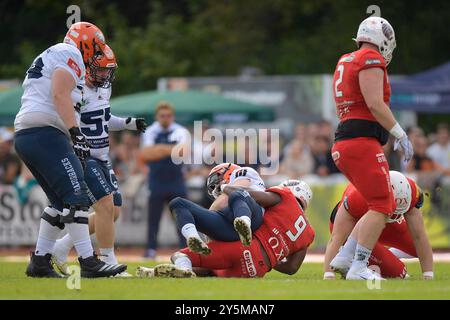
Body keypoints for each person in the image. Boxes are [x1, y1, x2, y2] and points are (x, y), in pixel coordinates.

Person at [14, 22, 126, 278]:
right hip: (45, 132)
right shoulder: (70, 53)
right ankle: (88, 261)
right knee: (76, 198)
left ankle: (40, 262)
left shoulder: (54, 53)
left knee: (58, 202)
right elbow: (60, 94)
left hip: (30, 133)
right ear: (86, 44)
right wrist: (76, 133)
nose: (97, 54)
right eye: (96, 48)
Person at [51, 45, 147, 275]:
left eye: (108, 70)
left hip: (103, 156)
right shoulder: (76, 87)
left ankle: (61, 246)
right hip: (85, 156)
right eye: (102, 70)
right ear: (88, 68)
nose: (106, 75)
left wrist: (127, 123)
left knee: (114, 211)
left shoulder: (105, 88)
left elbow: (102, 118)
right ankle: (107, 261)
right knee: (105, 206)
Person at [330, 16, 413, 280]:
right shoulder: (370, 59)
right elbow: (376, 104)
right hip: (360, 142)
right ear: (384, 39)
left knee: (375, 202)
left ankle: (345, 257)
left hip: (346, 141)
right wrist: (400, 133)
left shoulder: (346, 59)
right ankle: (358, 266)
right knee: (383, 206)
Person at [136, 180, 315, 278]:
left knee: (182, 256)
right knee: (212, 269)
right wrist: (271, 257)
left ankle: (183, 268)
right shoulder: (308, 233)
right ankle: (175, 270)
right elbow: (292, 268)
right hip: (257, 269)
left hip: (244, 245)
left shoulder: (284, 197)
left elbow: (251, 195)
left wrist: (224, 187)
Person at [324, 171, 433, 280]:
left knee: (417, 248)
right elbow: (336, 237)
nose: (395, 214)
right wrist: (328, 274)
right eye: (394, 210)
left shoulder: (413, 194)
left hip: (384, 222)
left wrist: (428, 274)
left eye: (399, 212)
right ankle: (353, 260)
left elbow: (419, 236)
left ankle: (385, 255)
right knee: (399, 272)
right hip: (354, 228)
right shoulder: (358, 197)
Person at [169, 163, 267, 253]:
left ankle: (244, 224)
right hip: (229, 226)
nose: (216, 186)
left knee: (235, 193)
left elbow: (235, 191)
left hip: (252, 215)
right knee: (178, 203)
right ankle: (194, 239)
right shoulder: (223, 196)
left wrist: (209, 223)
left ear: (227, 170)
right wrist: (210, 231)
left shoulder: (243, 172)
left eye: (217, 178)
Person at [140, 102, 190, 258]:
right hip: (157, 180)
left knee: (182, 216)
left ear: (172, 116)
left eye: (168, 115)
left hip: (176, 180)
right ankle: (151, 249)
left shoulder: (180, 130)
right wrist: (171, 150)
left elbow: (183, 152)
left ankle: (185, 249)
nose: (165, 118)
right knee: (154, 218)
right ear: (157, 116)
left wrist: (159, 150)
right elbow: (146, 154)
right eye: (162, 115)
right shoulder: (150, 131)